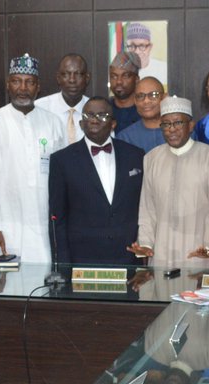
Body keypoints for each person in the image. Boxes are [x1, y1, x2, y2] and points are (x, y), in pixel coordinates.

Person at [0, 54, 65, 262]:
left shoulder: (53, 123)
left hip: (45, 224)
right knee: (10, 287)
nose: (23, 88)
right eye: (17, 81)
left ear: (38, 87)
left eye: (29, 82)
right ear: (9, 85)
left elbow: (63, 177)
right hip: (8, 225)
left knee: (45, 285)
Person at [128, 96, 209, 268]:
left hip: (198, 253)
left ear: (191, 125)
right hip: (161, 253)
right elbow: (147, 208)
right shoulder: (151, 158)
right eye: (166, 124)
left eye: (178, 123)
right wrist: (146, 244)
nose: (171, 129)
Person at [48, 97, 144, 265]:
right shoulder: (62, 160)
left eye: (102, 115)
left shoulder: (135, 155)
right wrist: (62, 264)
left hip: (128, 256)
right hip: (83, 258)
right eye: (89, 115)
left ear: (113, 123)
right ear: (81, 124)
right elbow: (58, 219)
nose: (94, 120)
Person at [35, 53, 90, 144]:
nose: (72, 80)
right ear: (58, 78)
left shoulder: (97, 111)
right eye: (66, 74)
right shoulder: (40, 108)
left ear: (87, 78)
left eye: (78, 74)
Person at [116, 77, 167, 152]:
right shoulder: (124, 138)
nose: (146, 101)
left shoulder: (179, 131)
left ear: (164, 98)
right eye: (140, 96)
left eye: (153, 95)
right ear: (135, 101)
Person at [125, 22, 167, 87]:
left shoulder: (164, 69)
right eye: (132, 46)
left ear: (150, 47)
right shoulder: (119, 71)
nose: (137, 51)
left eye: (142, 46)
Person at [108, 50, 142, 131]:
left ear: (136, 79)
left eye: (125, 76)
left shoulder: (145, 109)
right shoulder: (104, 108)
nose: (119, 81)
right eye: (114, 76)